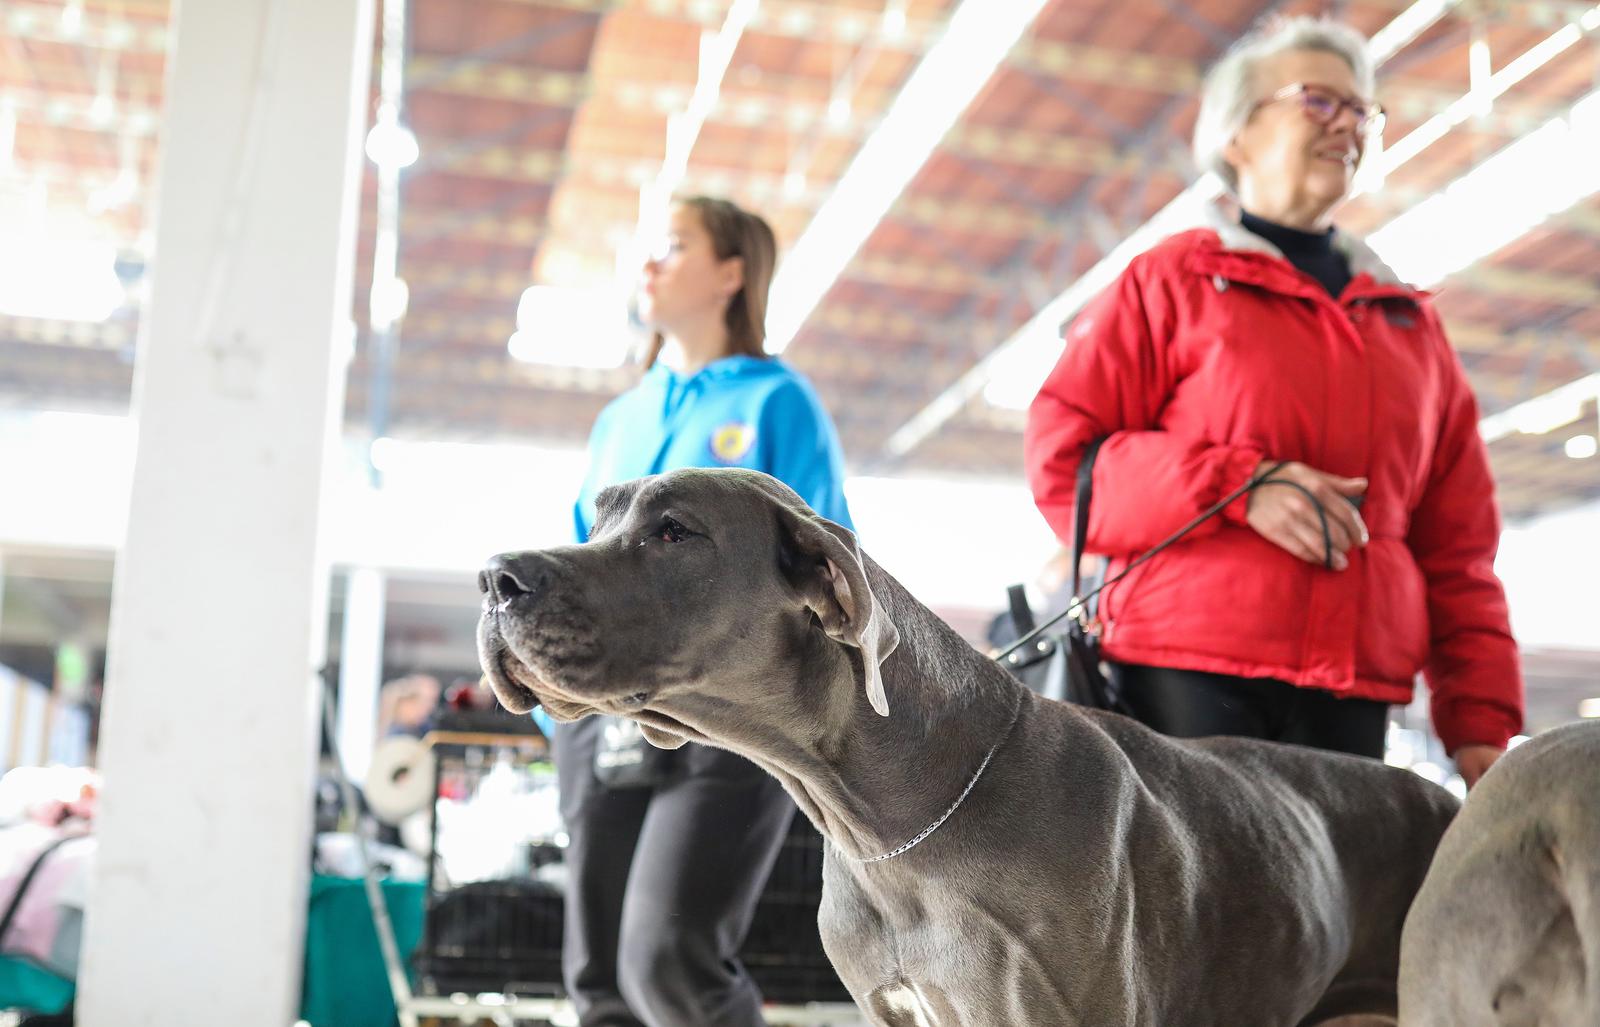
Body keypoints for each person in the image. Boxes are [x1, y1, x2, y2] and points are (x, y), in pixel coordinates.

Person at [1024, 16, 1523, 787]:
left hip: (1353, 697)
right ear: (1236, 135)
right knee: (1191, 906)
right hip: (1182, 680)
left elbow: (1458, 552)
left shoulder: (1412, 328)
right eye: (1320, 103)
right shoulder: (1170, 283)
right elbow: (1068, 464)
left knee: (1334, 912)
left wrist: (1481, 723)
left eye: (1363, 112)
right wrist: (1236, 487)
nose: (1349, 127)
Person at [549, 195, 852, 1027]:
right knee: (599, 984)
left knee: (669, 968)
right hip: (603, 720)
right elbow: (581, 558)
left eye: (675, 246)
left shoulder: (777, 404)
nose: (648, 262)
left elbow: (826, 554)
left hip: (730, 719)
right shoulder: (622, 417)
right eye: (648, 246)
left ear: (732, 273)